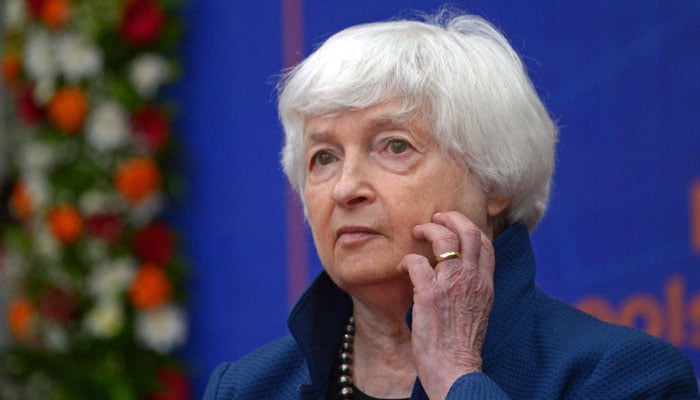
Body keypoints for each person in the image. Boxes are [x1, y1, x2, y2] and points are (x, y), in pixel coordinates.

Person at [204, 8, 699, 400]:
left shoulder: (620, 379)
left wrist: (458, 378)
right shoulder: (247, 388)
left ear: (495, 177)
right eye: (324, 157)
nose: (345, 188)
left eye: (395, 146)